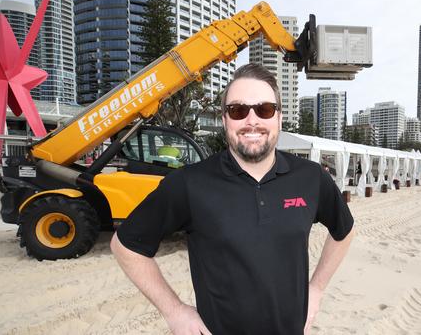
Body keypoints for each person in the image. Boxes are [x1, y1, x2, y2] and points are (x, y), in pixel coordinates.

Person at [110, 63, 355, 335]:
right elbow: (126, 246)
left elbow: (344, 231)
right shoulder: (190, 183)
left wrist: (317, 288)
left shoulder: (310, 178)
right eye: (238, 110)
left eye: (264, 110)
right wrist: (174, 311)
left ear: (279, 118)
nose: (252, 121)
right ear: (225, 120)